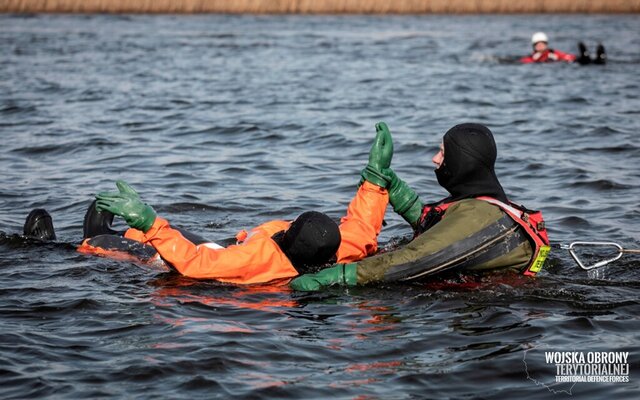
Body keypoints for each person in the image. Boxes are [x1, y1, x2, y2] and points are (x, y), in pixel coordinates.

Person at [24, 123, 394, 285]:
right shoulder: (335, 252)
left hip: (206, 265)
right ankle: (123, 229)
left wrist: (151, 222)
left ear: (287, 239)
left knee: (120, 246)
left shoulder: (255, 262)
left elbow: (196, 264)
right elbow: (361, 229)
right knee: (170, 235)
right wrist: (376, 179)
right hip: (223, 249)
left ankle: (63, 246)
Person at [290, 123, 551, 291]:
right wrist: (389, 184)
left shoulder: (479, 215)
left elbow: (415, 259)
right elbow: (439, 229)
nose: (435, 159)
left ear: (463, 162)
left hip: (490, 304)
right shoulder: (481, 206)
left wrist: (338, 276)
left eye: (442, 153)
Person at [520, 32, 606, 65]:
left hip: (565, 61)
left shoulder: (552, 53)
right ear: (534, 46)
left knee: (585, 60)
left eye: (542, 44)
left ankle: (599, 57)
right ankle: (585, 57)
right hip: (554, 63)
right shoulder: (533, 57)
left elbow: (566, 56)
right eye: (538, 45)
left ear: (546, 44)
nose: (540, 46)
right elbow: (524, 61)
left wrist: (574, 58)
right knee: (584, 62)